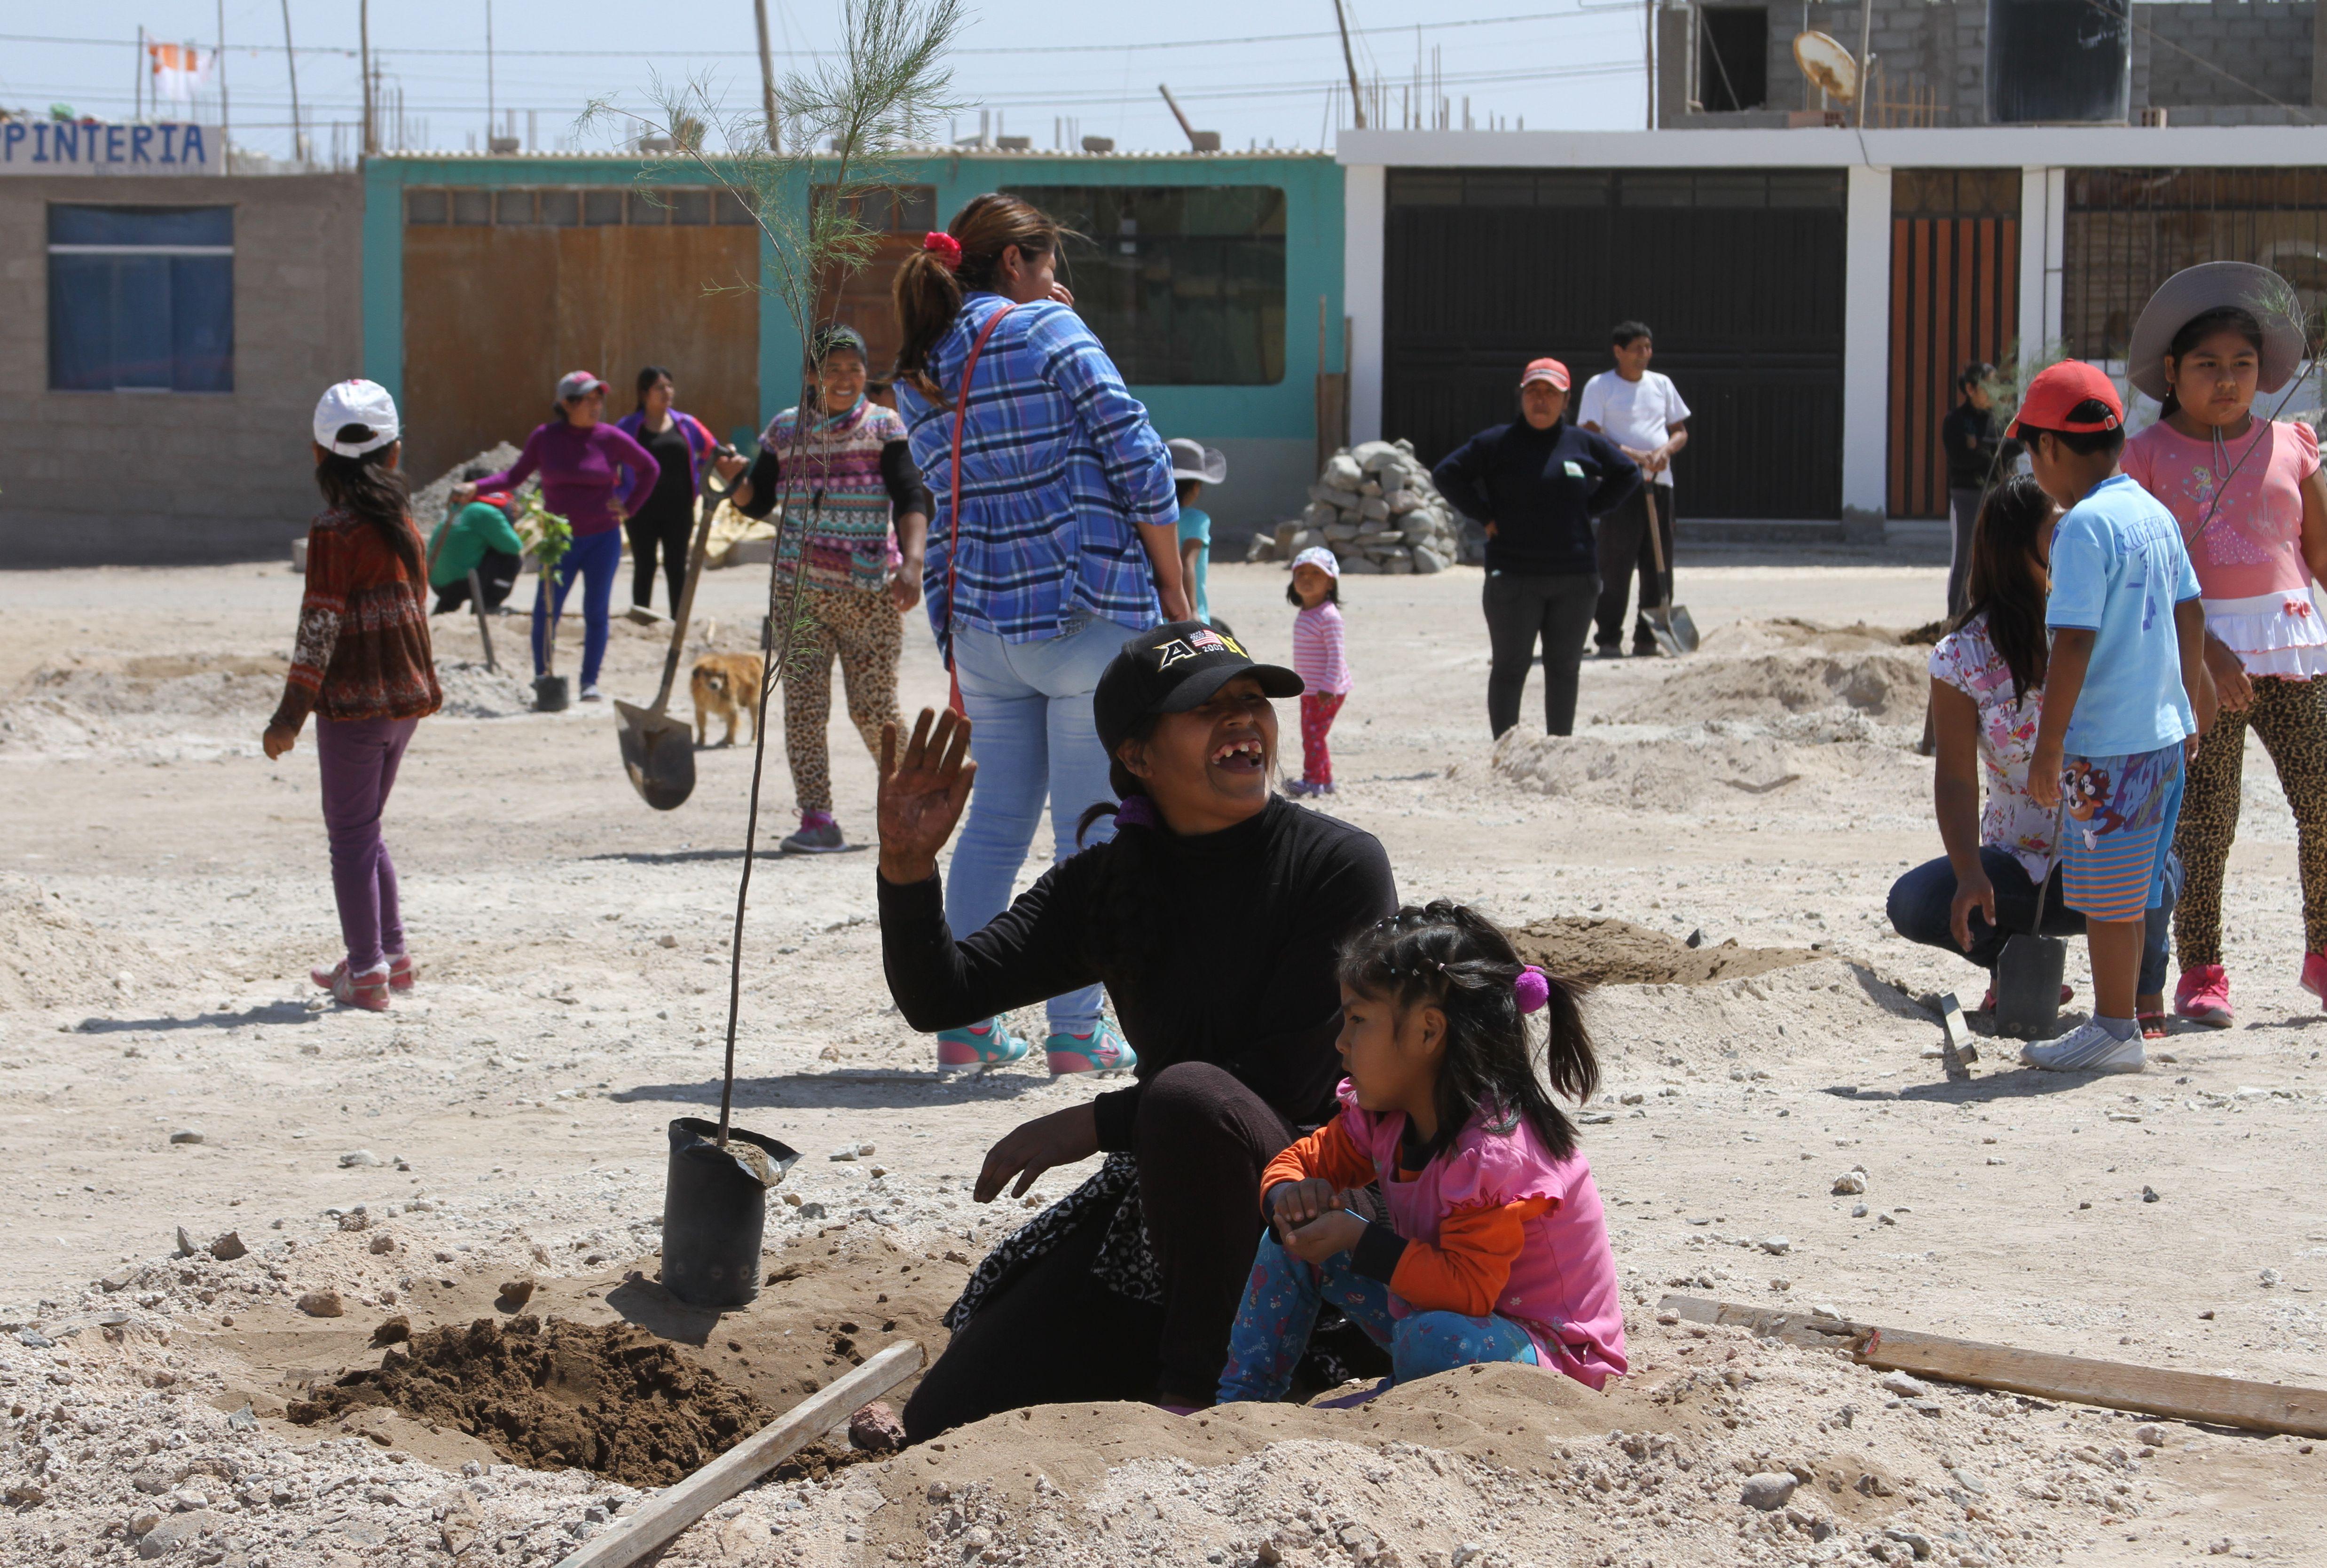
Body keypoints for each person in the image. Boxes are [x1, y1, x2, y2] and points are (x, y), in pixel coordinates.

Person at [874, 625, 1397, 1435]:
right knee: (947, 1413)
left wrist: (1091, 1123)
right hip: (1171, 1192)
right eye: (1205, 707)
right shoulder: (1111, 881)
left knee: (1188, 1096)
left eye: (1251, 701)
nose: (1241, 722)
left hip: (1326, 1191)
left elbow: (1287, 1081)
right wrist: (907, 869)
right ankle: (1169, 1365)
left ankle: (1197, 1399)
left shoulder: (1337, 865)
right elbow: (943, 994)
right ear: (1138, 756)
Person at [891, 192, 1193, 1072]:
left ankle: (967, 1024)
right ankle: (1075, 1032)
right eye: (1050, 263)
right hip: (1086, 611)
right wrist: (1175, 590)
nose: (1057, 281)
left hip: (982, 623)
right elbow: (1138, 457)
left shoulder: (920, 365)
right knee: (1091, 827)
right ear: (1018, 262)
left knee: (994, 825)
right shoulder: (1052, 336)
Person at [1216, 901, 1625, 1403]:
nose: (1341, 1042)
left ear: (1429, 1031)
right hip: (1439, 1315)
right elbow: (1299, 1161)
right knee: (1294, 1237)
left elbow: (1470, 1290)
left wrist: (1357, 1236)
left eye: (1358, 1020)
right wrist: (1288, 1198)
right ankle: (1241, 1403)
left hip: (1550, 1354)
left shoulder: (1492, 1154)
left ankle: (1386, 1402)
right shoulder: (1385, 1115)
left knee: (1432, 1340)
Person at [1885, 476, 2182, 1036]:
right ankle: (2015, 961)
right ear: (2015, 548)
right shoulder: (1960, 657)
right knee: (1914, 902)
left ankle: (2145, 983)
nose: (2074, 541)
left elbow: (2179, 702)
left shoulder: (2095, 625)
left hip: (2106, 850)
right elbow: (1954, 779)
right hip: (2019, 863)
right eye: (2058, 532)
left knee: (2160, 866)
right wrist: (1971, 872)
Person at [2119, 264, 2327, 1027]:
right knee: (2207, 825)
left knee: (2325, 805)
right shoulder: (2144, 458)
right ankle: (2201, 972)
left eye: (2243, 365)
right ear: (2173, 372)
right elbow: (2141, 575)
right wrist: (2205, 651)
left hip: (2298, 656)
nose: (2228, 380)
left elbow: (2322, 555)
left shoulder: (2292, 444)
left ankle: (2324, 957)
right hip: (2194, 665)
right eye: (2209, 365)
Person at [2013, 361, 2213, 1073]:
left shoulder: (2081, 529)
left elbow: (2072, 641)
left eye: (2030, 452)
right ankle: (2120, 1021)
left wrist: (2048, 747)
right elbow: (2190, 610)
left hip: (2106, 750)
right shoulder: (2151, 511)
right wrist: (2186, 702)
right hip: (2160, 740)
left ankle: (2112, 1028)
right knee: (2127, 897)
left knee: (2106, 899)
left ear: (2051, 450)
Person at [263, 380, 443, 1012]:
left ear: (319, 456)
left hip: (356, 711)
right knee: (366, 832)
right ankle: (391, 957)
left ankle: (366, 974)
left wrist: (289, 716)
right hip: (406, 706)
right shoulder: (405, 526)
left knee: (350, 838)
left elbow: (319, 628)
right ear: (394, 454)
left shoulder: (334, 531)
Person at [730, 325, 931, 855]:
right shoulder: (785, 430)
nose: (845, 379)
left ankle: (918, 803)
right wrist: (734, 480)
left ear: (867, 373)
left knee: (872, 707)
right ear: (812, 376)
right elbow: (755, 503)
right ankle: (818, 819)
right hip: (798, 596)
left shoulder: (885, 426)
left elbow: (912, 495)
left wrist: (912, 564)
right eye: (833, 369)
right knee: (802, 708)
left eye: (855, 368)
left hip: (870, 595)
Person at [1434, 357, 1642, 737]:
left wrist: (1591, 509)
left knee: (1564, 668)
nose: (1541, 400)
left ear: (1567, 400)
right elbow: (1447, 473)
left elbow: (1628, 473)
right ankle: (1505, 752)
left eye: (1551, 392)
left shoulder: (1583, 444)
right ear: (1522, 396)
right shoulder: (1495, 443)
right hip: (1513, 577)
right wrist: (1483, 514)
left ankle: (1557, 750)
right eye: (1534, 391)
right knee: (1511, 667)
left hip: (1575, 579)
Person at [455, 371, 661, 703]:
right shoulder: (545, 438)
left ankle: (589, 683)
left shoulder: (609, 438)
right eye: (588, 400)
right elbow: (514, 476)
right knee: (547, 609)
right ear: (567, 403)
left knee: (597, 610)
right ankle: (543, 676)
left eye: (599, 399)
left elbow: (651, 468)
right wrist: (476, 488)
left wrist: (629, 506)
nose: (596, 406)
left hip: (602, 538)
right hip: (558, 539)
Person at [1580, 321, 1691, 658]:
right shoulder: (1601, 386)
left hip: (1659, 484)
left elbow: (1680, 431)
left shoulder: (1662, 384)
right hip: (1620, 487)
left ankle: (1648, 637)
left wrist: (1664, 452)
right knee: (1615, 562)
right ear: (1619, 351)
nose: (1645, 355)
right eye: (1638, 349)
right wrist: (1633, 455)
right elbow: (1591, 434)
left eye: (1649, 348)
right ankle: (1609, 637)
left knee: (1658, 562)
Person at [613, 366, 723, 615]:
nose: (667, 392)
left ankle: (678, 619)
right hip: (640, 510)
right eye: (660, 387)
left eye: (670, 386)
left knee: (676, 566)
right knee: (645, 564)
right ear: (644, 393)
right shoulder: (628, 428)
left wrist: (707, 481)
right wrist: (618, 495)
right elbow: (608, 461)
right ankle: (642, 618)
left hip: (680, 509)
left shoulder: (687, 424)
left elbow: (713, 451)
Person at [1941, 362, 2011, 617]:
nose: (1994, 391)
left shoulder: (2001, 419)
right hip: (1967, 497)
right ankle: (1957, 618)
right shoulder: (1956, 421)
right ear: (1970, 389)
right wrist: (1990, 453)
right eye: (1987, 385)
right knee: (1966, 557)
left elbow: (2015, 449)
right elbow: (1961, 459)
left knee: (2000, 557)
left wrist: (1980, 448)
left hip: (1998, 495)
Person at [1285, 548, 1350, 798]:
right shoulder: (1307, 612)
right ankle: (1325, 779)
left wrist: (1328, 687)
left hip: (1325, 691)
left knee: (1312, 736)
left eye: (1316, 573)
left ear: (1330, 580)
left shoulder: (1329, 616)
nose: (1307, 578)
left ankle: (1313, 781)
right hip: (1311, 689)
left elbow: (1337, 655)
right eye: (1300, 573)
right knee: (1314, 735)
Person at [425, 466, 526, 616]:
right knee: (512, 560)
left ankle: (445, 606)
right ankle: (489, 606)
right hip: (461, 584)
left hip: (436, 582)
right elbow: (514, 547)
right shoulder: (483, 511)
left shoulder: (454, 507)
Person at [1169, 438, 1228, 627]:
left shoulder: (1151, 518)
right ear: (1196, 487)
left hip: (1160, 610)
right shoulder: (1198, 520)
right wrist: (1193, 611)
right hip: (1186, 611)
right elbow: (1187, 564)